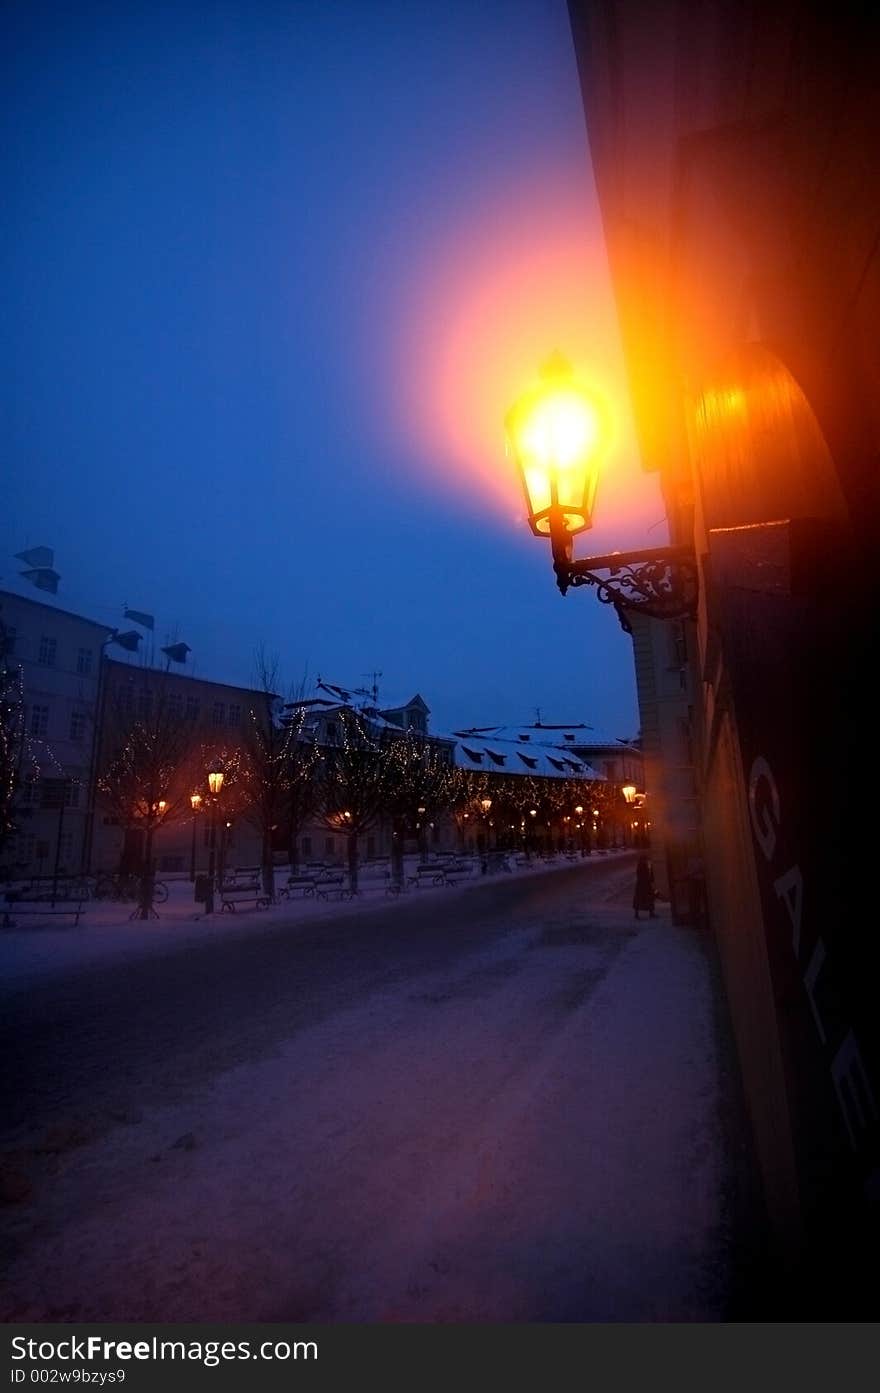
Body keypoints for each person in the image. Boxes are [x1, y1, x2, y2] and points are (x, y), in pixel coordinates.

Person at [633, 855, 656, 919]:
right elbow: (643, 875)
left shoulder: (642, 865)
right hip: (644, 884)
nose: (646, 861)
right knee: (648, 898)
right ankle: (650, 913)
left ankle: (638, 914)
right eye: (645, 860)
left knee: (640, 899)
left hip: (641, 885)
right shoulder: (642, 865)